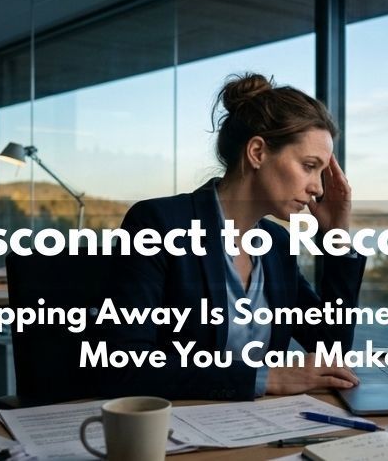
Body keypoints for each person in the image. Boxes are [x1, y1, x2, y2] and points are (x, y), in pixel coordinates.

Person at [100, 73, 366, 400]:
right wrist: (262, 377)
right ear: (257, 152)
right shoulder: (157, 224)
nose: (318, 188)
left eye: (321, 172)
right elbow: (124, 365)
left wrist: (337, 239)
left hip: (261, 428)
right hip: (177, 427)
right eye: (309, 166)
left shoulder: (276, 245)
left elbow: (331, 350)